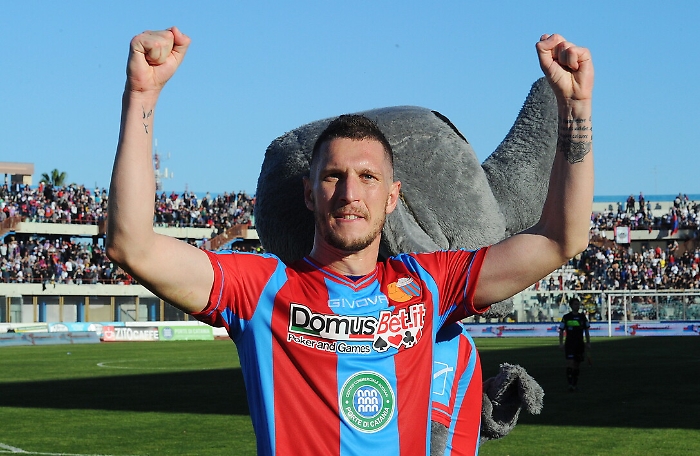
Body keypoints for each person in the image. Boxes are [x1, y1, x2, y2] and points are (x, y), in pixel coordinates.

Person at [106, 26, 594, 455]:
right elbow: (133, 246)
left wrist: (576, 109)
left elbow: (561, 239)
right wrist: (141, 97)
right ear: (309, 193)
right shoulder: (260, 290)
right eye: (333, 176)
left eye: (367, 177)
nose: (350, 193)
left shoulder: (430, 284)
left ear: (392, 196)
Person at [558, 297, 591, 391]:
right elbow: (561, 330)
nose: (577, 306)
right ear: (571, 306)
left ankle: (574, 384)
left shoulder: (582, 317)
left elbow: (586, 331)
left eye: (578, 304)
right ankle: (570, 384)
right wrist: (561, 343)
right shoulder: (566, 317)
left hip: (580, 344)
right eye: (575, 304)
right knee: (570, 363)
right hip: (569, 344)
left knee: (577, 364)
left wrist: (588, 342)